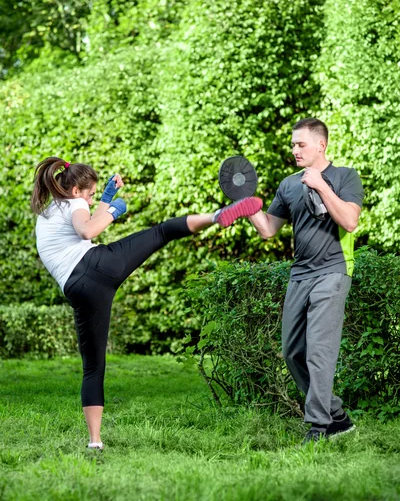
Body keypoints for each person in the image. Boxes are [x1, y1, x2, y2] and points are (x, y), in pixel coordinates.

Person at [31, 156, 262, 449]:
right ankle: (218, 216)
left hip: (79, 289)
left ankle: (95, 442)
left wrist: (105, 199)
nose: (90, 201)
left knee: (93, 367)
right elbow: (87, 230)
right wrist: (113, 210)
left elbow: (84, 221)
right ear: (76, 190)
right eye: (90, 194)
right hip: (97, 266)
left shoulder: (50, 211)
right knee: (162, 232)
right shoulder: (75, 204)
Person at [248, 118, 364, 444]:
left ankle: (319, 428)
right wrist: (248, 203)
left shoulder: (345, 177)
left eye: (300, 144)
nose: (294, 150)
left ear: (321, 145)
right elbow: (269, 229)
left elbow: (351, 221)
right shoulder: (288, 184)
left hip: (334, 271)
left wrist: (322, 186)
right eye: (293, 144)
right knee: (292, 351)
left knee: (319, 352)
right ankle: (337, 416)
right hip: (301, 274)